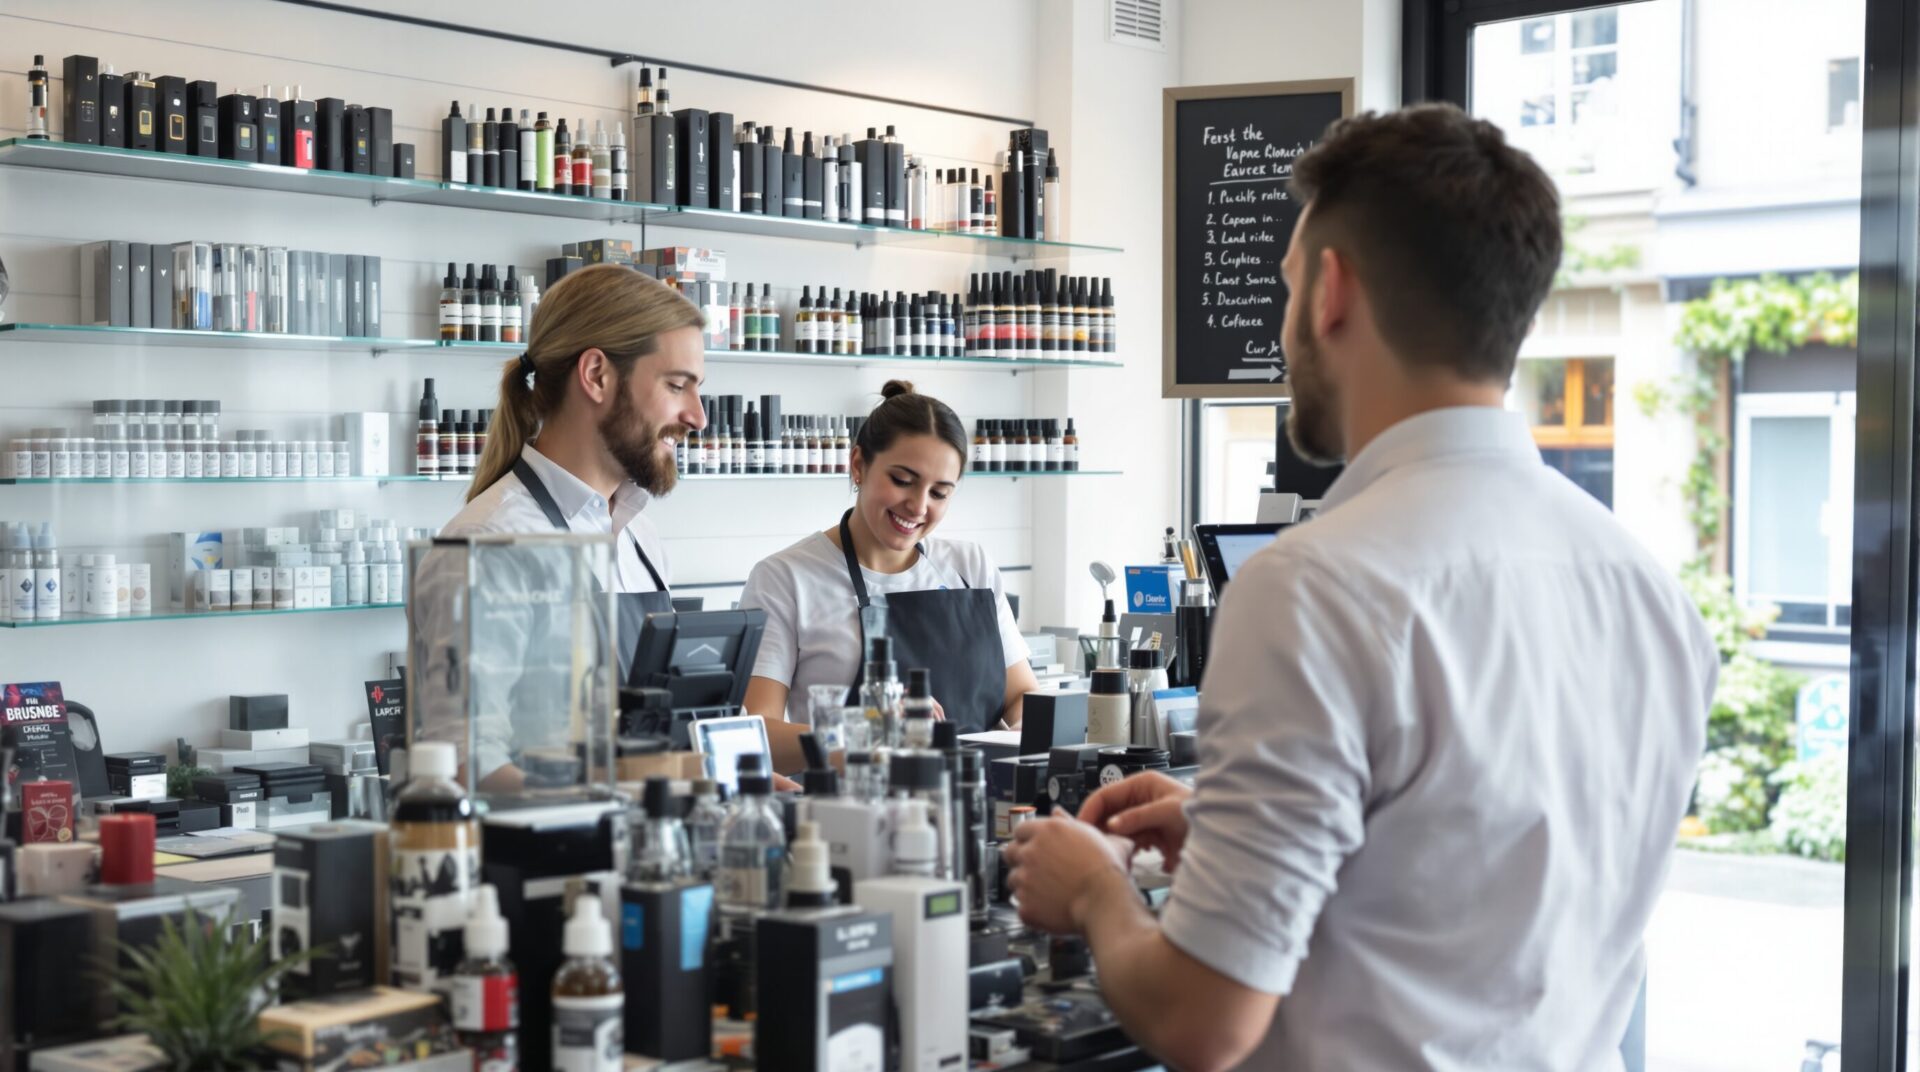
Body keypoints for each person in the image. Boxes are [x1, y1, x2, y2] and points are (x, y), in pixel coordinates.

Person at [1003, 103, 1718, 1071]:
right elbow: (1479, 885)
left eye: (1289, 284)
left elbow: (1202, 1021)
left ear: (1332, 292)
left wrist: (1095, 890)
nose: (1286, 317)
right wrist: (1235, 835)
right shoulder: (1649, 591)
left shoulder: (1312, 585)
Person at [415, 264, 707, 792]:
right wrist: (605, 805)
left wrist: (709, 778)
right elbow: (466, 762)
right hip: (539, 863)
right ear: (596, 375)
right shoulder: (490, 544)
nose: (697, 416)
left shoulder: (639, 537)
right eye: (676, 385)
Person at [740, 381, 1037, 772]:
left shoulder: (971, 565)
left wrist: (1021, 736)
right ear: (859, 464)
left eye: (939, 493)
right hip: (848, 814)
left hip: (979, 802)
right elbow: (756, 733)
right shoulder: (783, 578)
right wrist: (864, 734)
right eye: (902, 480)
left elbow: (1022, 695)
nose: (918, 506)